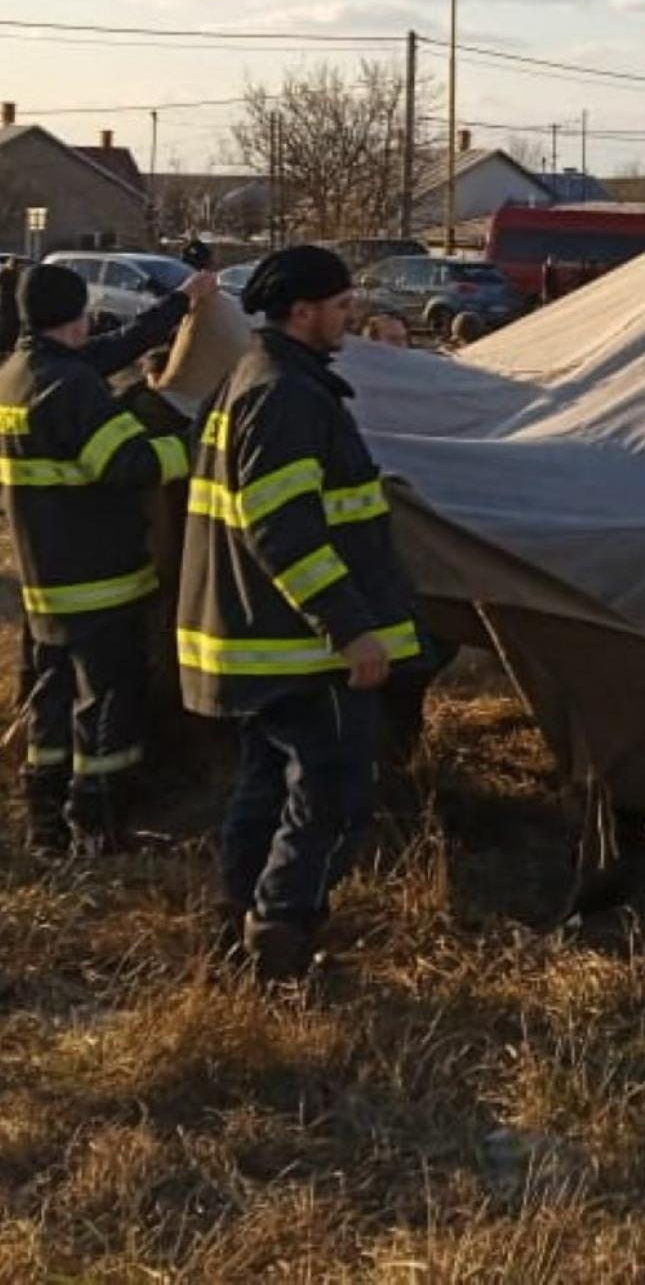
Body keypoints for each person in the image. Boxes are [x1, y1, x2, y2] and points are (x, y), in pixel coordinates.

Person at [182, 246, 426, 983]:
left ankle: (238, 922)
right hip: (300, 647)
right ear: (303, 310)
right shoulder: (285, 393)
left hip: (262, 638)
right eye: (342, 304)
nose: (351, 315)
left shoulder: (257, 377)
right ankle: (282, 941)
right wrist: (349, 627)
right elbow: (282, 528)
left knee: (267, 787)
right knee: (335, 794)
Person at [0, 261, 209, 854]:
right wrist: (200, 442)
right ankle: (98, 822)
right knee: (106, 702)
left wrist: (181, 303)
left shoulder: (13, 377)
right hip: (98, 578)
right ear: (76, 316)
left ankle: (45, 817)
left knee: (51, 700)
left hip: (44, 580)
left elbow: (109, 352)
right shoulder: (70, 388)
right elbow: (130, 465)